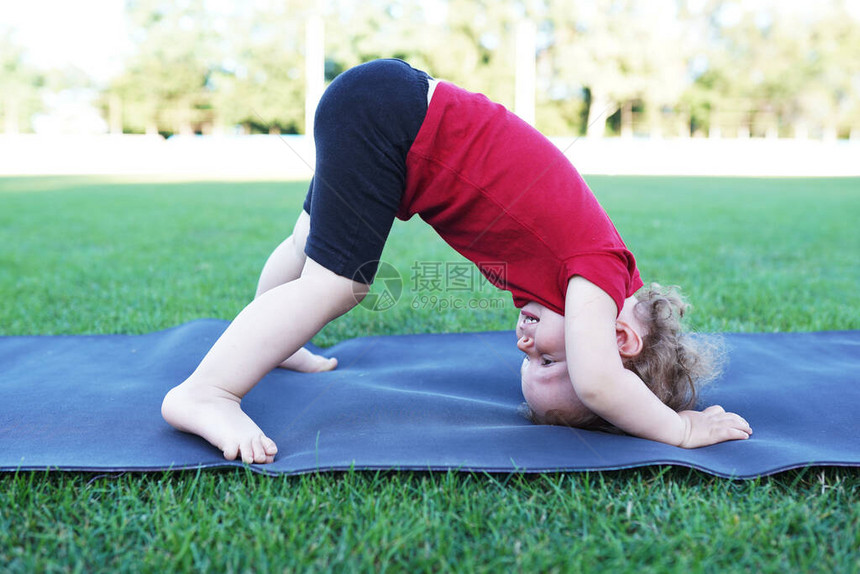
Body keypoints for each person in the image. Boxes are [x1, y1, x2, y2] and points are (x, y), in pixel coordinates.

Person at [161, 59, 752, 464]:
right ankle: (207, 391)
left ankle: (277, 340)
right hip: (393, 120)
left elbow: (596, 375)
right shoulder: (595, 275)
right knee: (338, 283)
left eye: (534, 360)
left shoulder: (592, 276)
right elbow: (599, 385)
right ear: (620, 337)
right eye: (550, 356)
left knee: (307, 245)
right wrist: (678, 428)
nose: (525, 345)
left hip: (389, 107)